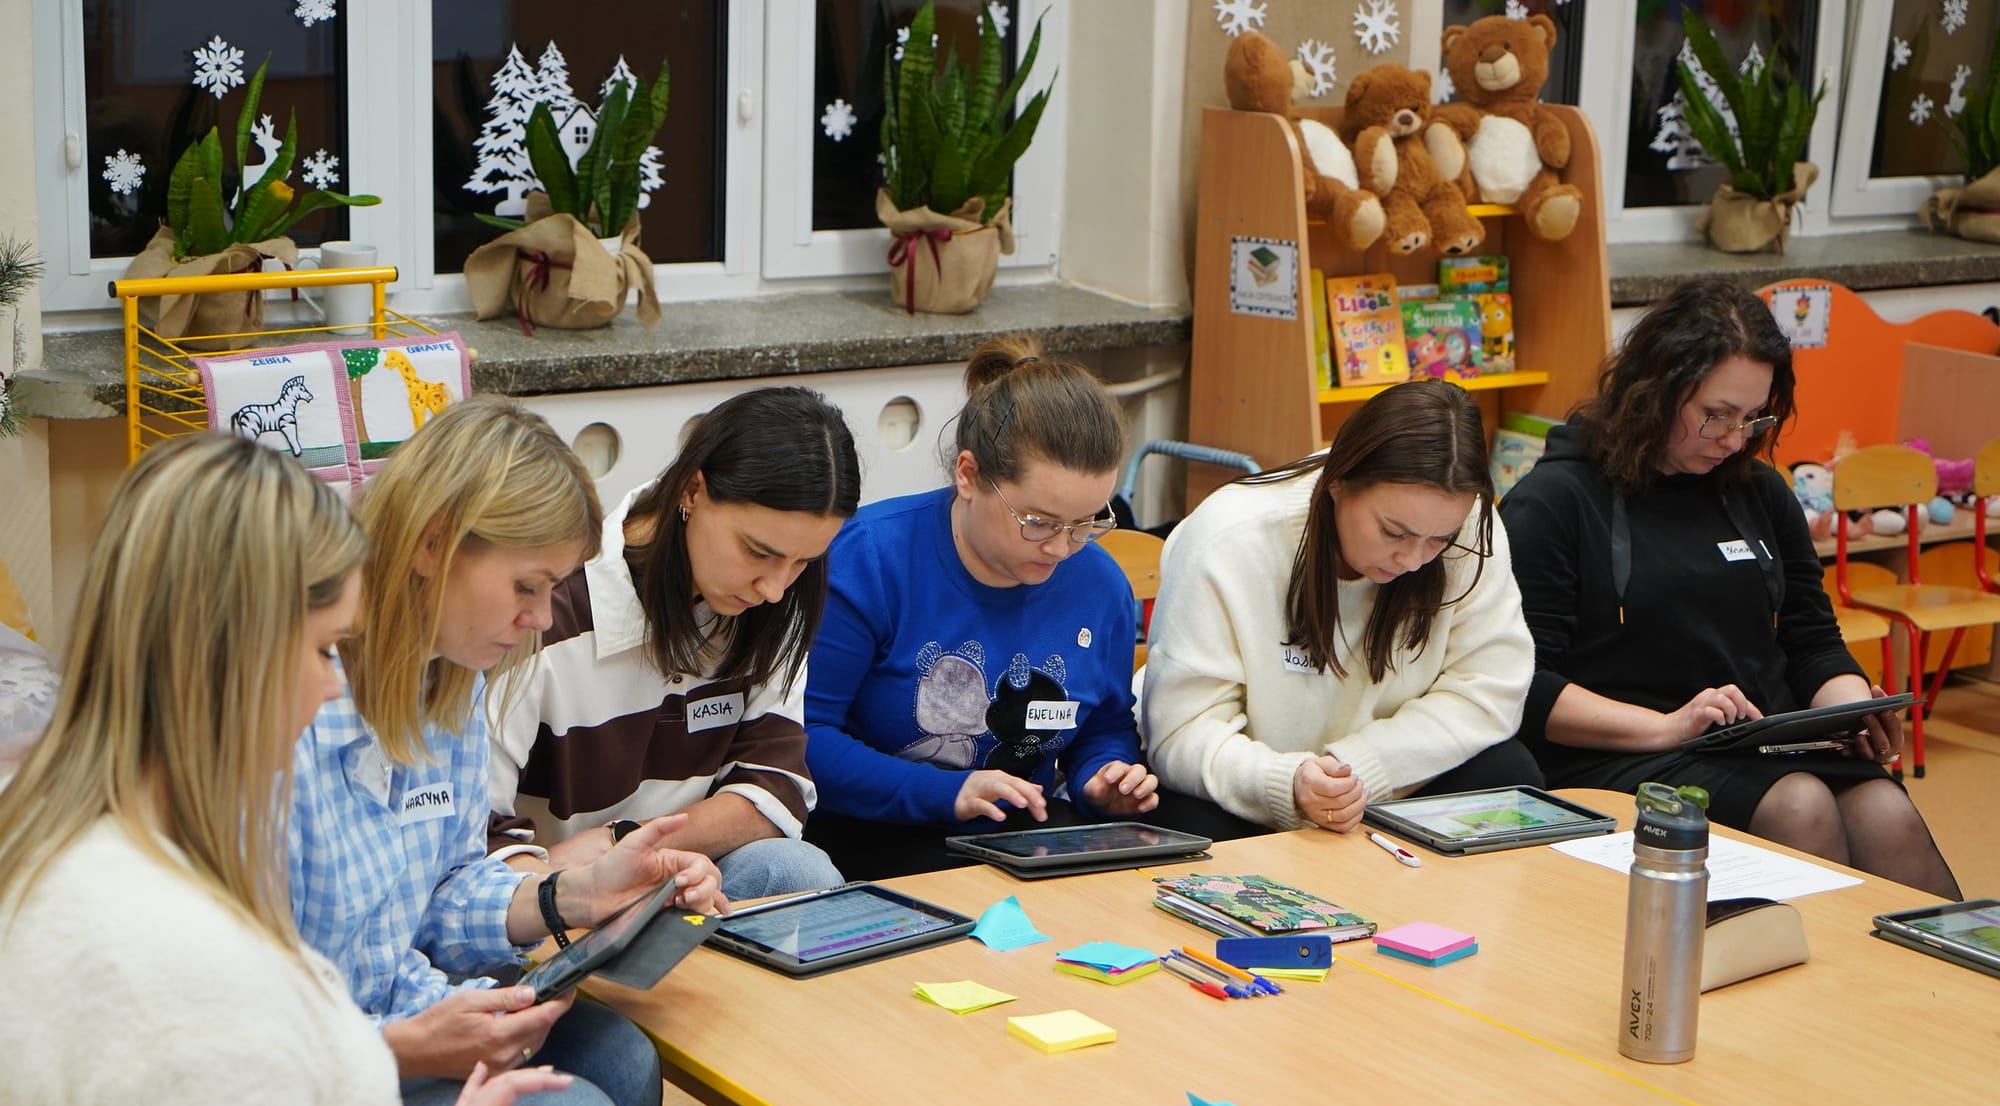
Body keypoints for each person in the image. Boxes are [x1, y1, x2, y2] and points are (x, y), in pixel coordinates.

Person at [0, 433, 879, 1106]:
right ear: (230, 659)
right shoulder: (184, 949)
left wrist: (566, 898)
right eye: (321, 651)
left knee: (630, 1085)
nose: (327, 688)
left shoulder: (115, 851)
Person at [289, 396, 726, 1106]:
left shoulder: (452, 683)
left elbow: (440, 892)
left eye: (552, 588)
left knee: (621, 1056)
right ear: (432, 544)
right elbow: (240, 1014)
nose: (538, 617)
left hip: (406, 1015)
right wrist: (409, 1044)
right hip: (311, 1071)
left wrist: (575, 891)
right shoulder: (293, 709)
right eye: (526, 586)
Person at [1500, 276, 1960, 900]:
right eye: (1714, 415)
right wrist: (1666, 727)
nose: (1734, 439)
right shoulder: (1555, 502)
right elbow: (1526, 685)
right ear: (1653, 391)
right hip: (1621, 747)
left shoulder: (1758, 491)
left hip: (1757, 738)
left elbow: (1811, 637)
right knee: (1802, 806)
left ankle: (1939, 994)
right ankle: (1812, 995)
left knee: (1886, 809)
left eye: (1753, 418)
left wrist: (1851, 710)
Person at [804, 336, 1174, 885]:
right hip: (868, 841)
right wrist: (948, 793)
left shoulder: (1099, 585)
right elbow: (803, 739)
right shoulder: (870, 561)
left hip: (1027, 842)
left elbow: (1103, 723)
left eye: (1087, 522)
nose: (1061, 548)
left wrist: (1103, 780)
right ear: (969, 475)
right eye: (1039, 522)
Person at [487, 385, 857, 901]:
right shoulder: (549, 606)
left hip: (678, 885)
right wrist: (581, 883)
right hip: (543, 894)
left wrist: (627, 845)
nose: (775, 588)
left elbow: (775, 790)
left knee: (798, 870)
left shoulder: (774, 603)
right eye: (756, 551)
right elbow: (477, 840)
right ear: (691, 489)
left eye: (802, 562)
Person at [1142, 378, 1538, 833]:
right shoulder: (1230, 539)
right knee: (1179, 814)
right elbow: (1182, 733)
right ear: (1339, 484)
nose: (1412, 561)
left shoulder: (1470, 530)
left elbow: (1491, 689)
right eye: (1393, 532)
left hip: (1386, 782)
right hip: (1255, 790)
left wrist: (1361, 768)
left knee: (1510, 771)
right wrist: (1287, 781)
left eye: (1438, 540)